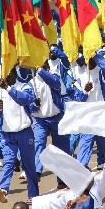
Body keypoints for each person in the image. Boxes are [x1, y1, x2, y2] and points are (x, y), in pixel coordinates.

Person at [0, 67, 39, 205]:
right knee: (8, 161)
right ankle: (3, 189)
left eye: (10, 75)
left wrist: (7, 88)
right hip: (8, 134)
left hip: (24, 132)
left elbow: (24, 100)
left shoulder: (24, 86)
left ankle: (33, 195)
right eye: (5, 76)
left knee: (29, 165)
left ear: (15, 74)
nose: (8, 77)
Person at [73, 51, 105, 195]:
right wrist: (85, 92)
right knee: (83, 155)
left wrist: (94, 52)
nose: (89, 61)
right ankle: (80, 187)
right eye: (87, 58)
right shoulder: (80, 76)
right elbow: (77, 101)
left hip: (104, 118)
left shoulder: (103, 73)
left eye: (90, 58)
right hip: (88, 120)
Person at [29, 144, 105, 209]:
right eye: (85, 178)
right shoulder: (70, 196)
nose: (89, 181)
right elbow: (52, 204)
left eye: (91, 178)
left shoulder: (97, 191)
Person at [32, 60, 70, 189]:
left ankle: (62, 179)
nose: (42, 68)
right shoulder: (32, 82)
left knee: (61, 149)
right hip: (39, 119)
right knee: (39, 142)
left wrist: (40, 70)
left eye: (44, 66)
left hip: (56, 117)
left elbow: (54, 82)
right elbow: (28, 103)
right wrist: (34, 104)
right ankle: (37, 171)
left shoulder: (54, 77)